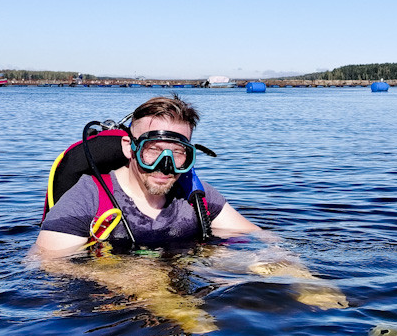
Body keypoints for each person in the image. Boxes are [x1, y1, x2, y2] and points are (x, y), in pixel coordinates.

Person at [34, 95, 260, 257]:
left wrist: (282, 264)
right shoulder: (88, 196)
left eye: (178, 152)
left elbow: (254, 236)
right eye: (153, 150)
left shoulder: (193, 192)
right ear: (128, 147)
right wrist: (134, 278)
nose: (165, 166)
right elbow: (47, 264)